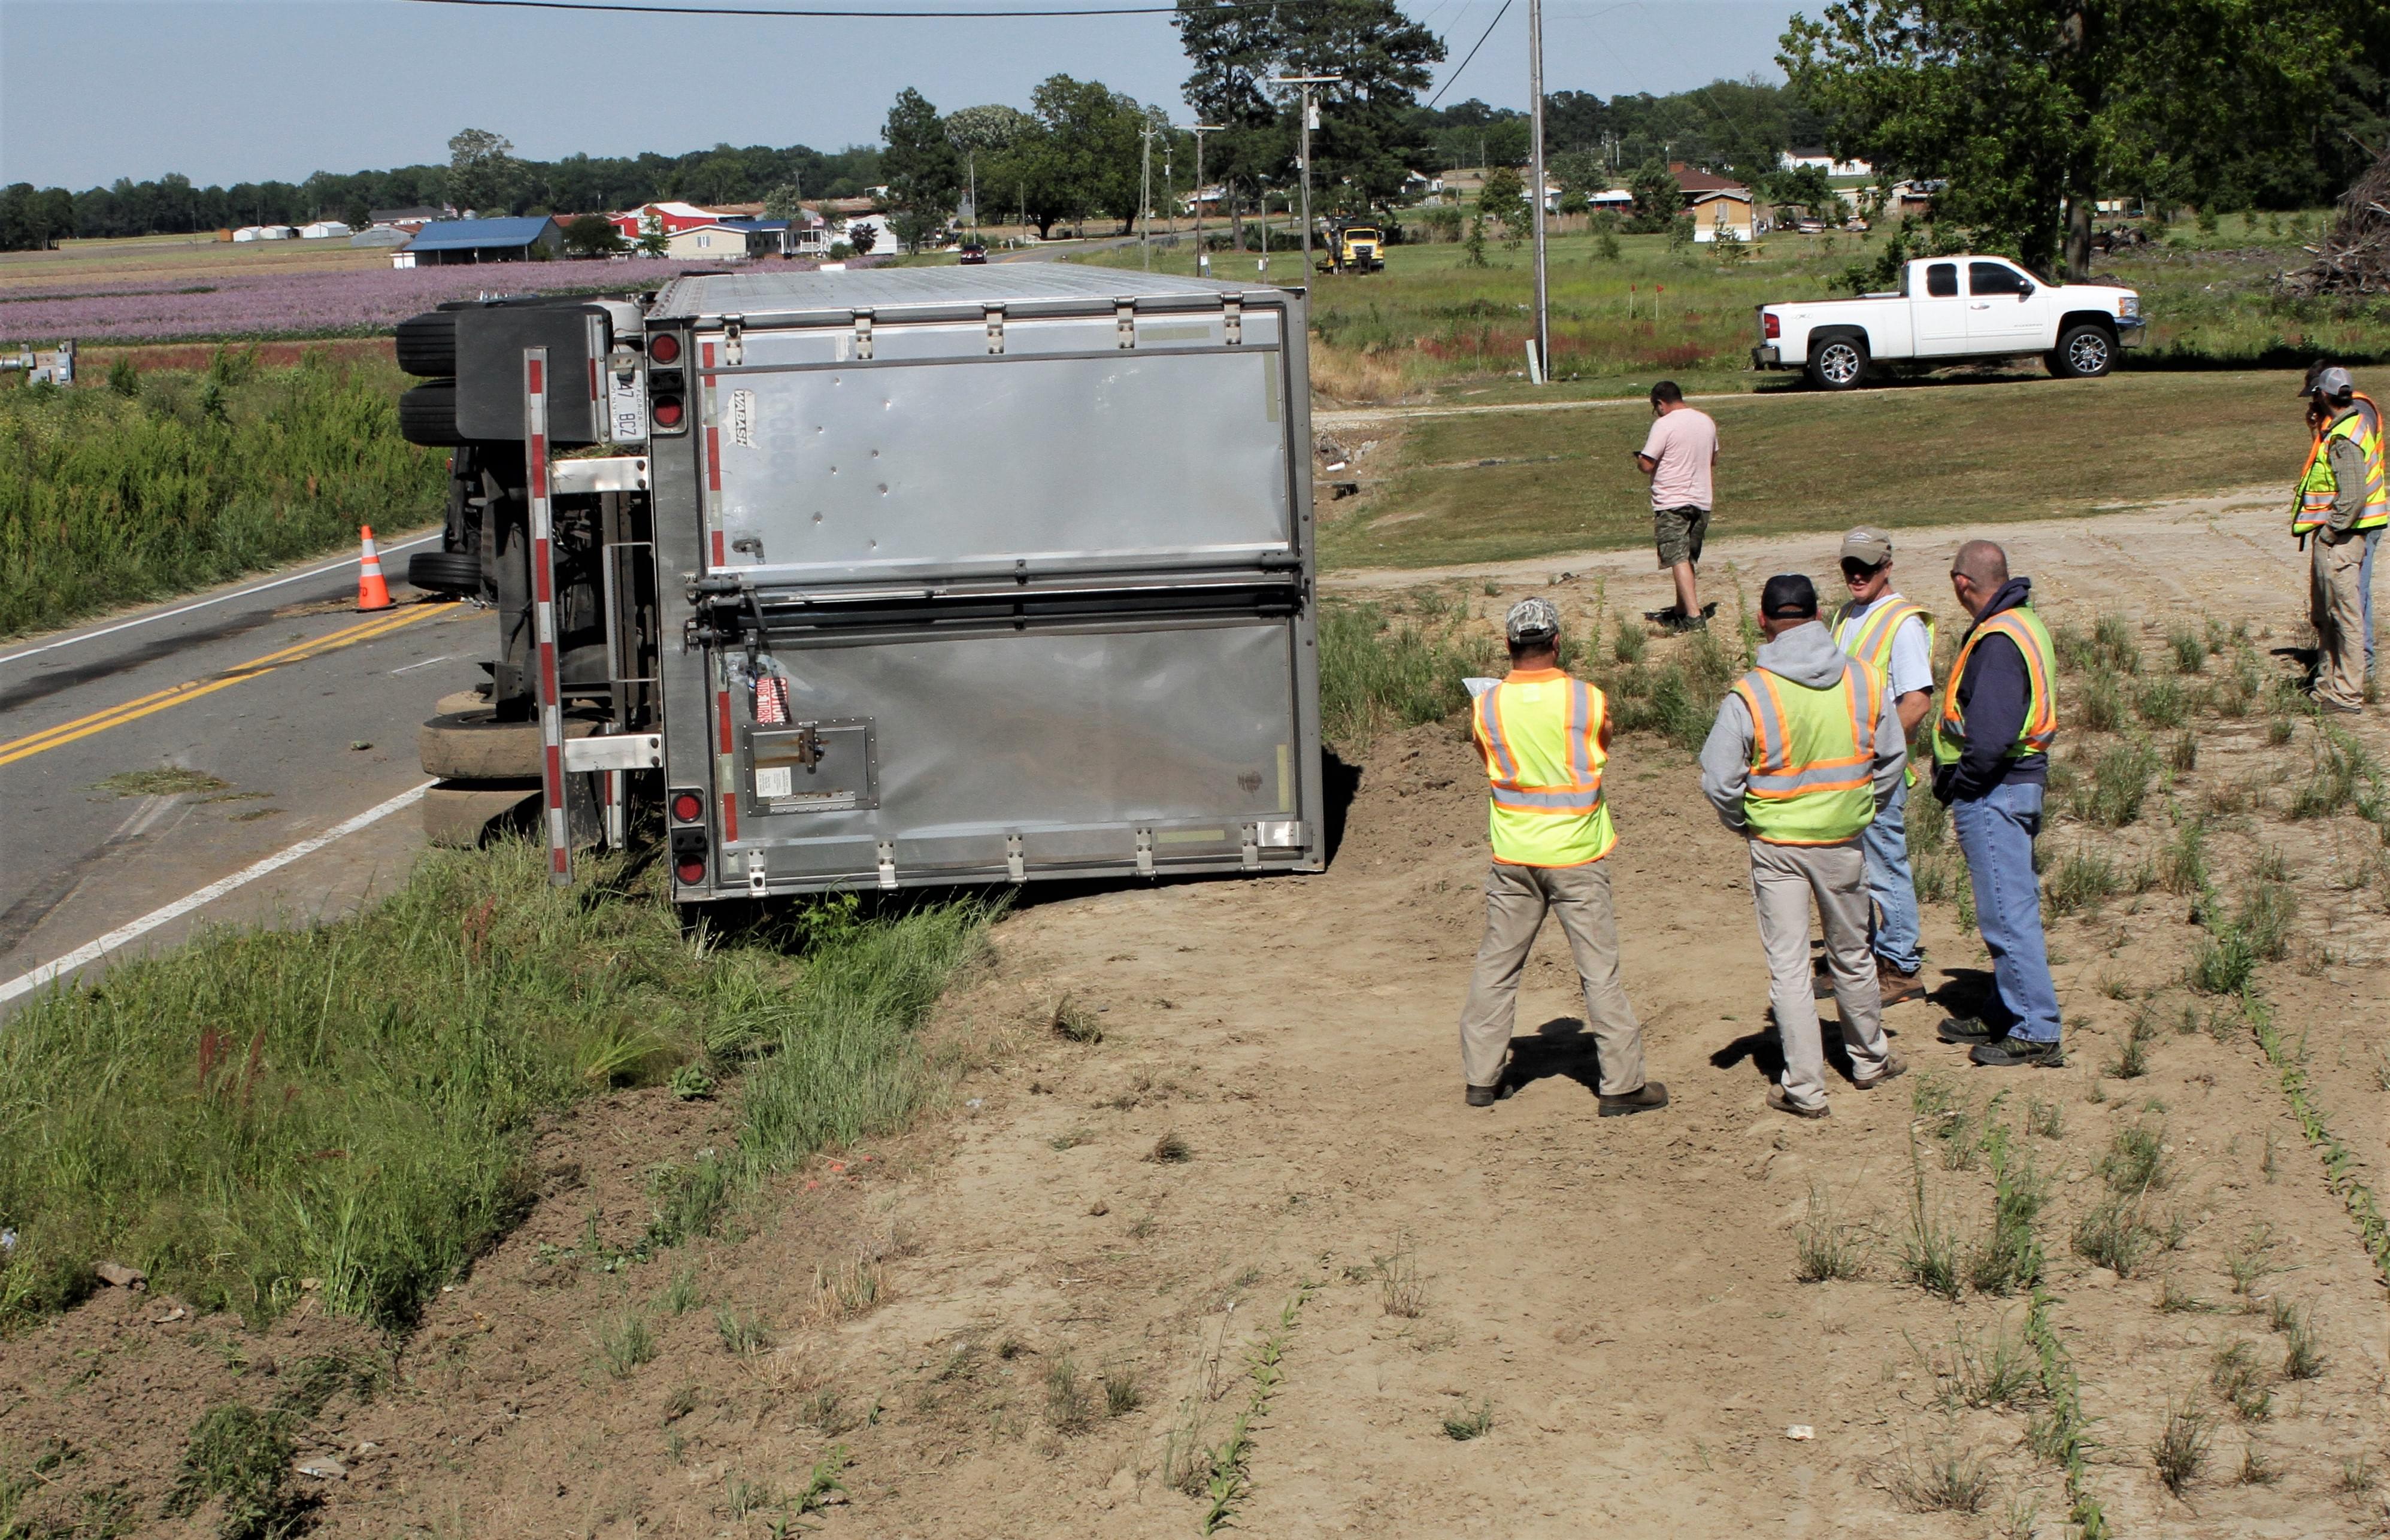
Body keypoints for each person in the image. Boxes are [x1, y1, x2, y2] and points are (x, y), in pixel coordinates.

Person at [1700, 574, 1908, 1118]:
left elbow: (1718, 778)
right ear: (1819, 615)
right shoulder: (1864, 680)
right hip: (1843, 840)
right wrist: (1865, 808)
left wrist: (1743, 822)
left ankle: (1806, 1090)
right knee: (1853, 954)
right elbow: (1891, 759)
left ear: (1763, 622)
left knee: (1789, 969)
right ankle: (1870, 1060)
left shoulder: (1752, 690)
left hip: (1777, 847)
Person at [1455, 598, 1667, 1116]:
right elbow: (1603, 744)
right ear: (1556, 643)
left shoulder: (1485, 707)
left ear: (1508, 646)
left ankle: (1480, 1081)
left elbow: (1488, 758)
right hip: (1576, 855)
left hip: (1513, 855)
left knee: (1496, 968)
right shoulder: (1586, 700)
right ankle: (1619, 1086)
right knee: (1599, 973)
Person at [1931, 541, 2065, 1067]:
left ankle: (2035, 1028)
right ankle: (2006, 1011)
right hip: (2012, 784)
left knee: (2007, 916)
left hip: (1994, 789)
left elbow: (1989, 737)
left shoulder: (1999, 638)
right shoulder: (2021, 622)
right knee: (2009, 908)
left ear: (1962, 582)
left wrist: (1960, 782)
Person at [1824, 528, 1935, 1006]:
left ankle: (1899, 965)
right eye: (1850, 565)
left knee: (1885, 866)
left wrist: (1876, 750)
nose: (1856, 574)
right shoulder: (1845, 615)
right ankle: (1861, 961)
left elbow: (1916, 701)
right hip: (1845, 769)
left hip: (1878, 770)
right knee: (1851, 869)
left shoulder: (1902, 623)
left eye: (1867, 567)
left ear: (1887, 567)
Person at [2294, 366, 2386, 709]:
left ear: (2322, 395)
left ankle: (2347, 693)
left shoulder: (2345, 435)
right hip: (2346, 535)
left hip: (2343, 538)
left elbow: (2352, 496)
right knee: (2331, 615)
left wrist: (2330, 532)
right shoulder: (2348, 424)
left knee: (2345, 614)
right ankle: (2330, 686)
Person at [1634, 380, 1719, 633]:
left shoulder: (1664, 425)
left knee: (1677, 556)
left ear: (1660, 404)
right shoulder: (1706, 421)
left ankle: (1693, 616)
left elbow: (1648, 464)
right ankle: (1682, 608)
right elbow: (1713, 459)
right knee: (1687, 556)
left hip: (1672, 500)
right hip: (1702, 499)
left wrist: (1640, 459)